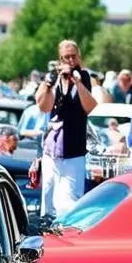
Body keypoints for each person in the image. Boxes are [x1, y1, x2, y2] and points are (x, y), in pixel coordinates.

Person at [33, 39, 97, 220]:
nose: (70, 61)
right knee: (48, 197)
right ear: (60, 59)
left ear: (79, 57)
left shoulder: (83, 76)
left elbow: (90, 107)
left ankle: (67, 232)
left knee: (69, 200)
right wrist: (49, 83)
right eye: (66, 57)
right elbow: (44, 106)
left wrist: (77, 82)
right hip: (52, 149)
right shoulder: (52, 77)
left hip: (74, 149)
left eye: (73, 57)